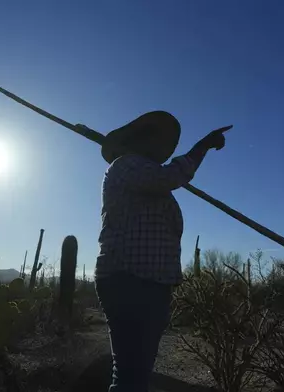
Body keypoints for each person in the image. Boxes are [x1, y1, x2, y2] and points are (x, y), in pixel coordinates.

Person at [89, 110, 230, 392]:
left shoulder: (145, 173)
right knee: (130, 373)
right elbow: (169, 178)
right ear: (141, 139)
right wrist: (202, 146)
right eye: (161, 141)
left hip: (149, 282)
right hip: (129, 278)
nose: (165, 149)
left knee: (135, 372)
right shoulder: (125, 165)